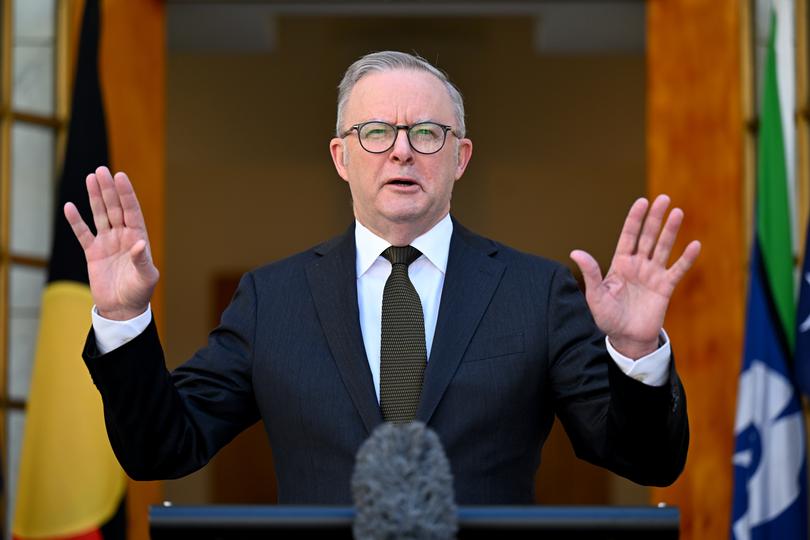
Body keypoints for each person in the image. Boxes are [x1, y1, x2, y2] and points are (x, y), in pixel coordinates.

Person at [65, 51, 701, 504]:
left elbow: (646, 460)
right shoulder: (272, 300)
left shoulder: (536, 294)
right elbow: (164, 449)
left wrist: (638, 352)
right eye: (376, 133)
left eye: (426, 132)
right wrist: (123, 320)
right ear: (341, 157)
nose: (401, 149)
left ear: (461, 156)